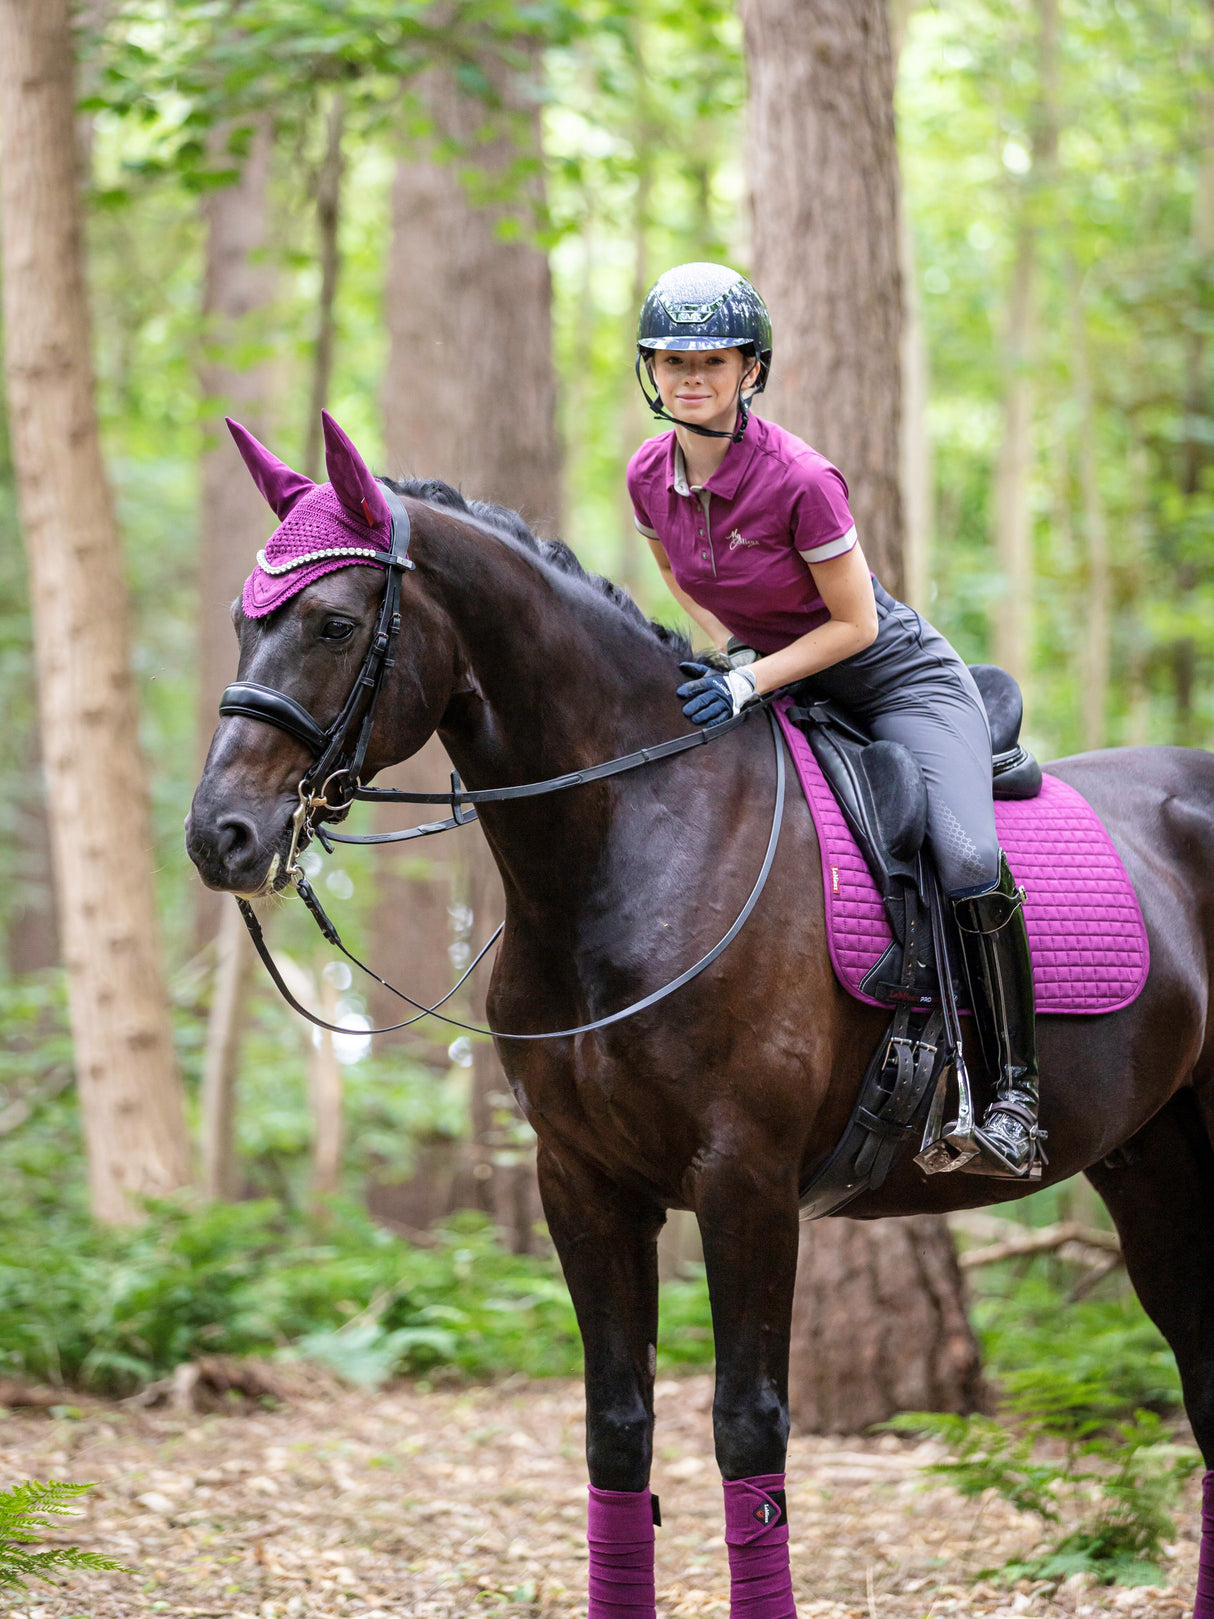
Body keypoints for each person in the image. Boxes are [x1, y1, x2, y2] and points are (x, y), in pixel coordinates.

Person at [626, 261, 1042, 1180]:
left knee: (968, 858)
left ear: (751, 371)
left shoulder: (803, 479)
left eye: (713, 359)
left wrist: (746, 681)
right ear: (650, 370)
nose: (690, 376)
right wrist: (742, 661)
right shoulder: (646, 477)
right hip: (787, 682)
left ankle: (1013, 1095)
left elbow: (854, 624)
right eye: (672, 359)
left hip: (895, 681)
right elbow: (682, 581)